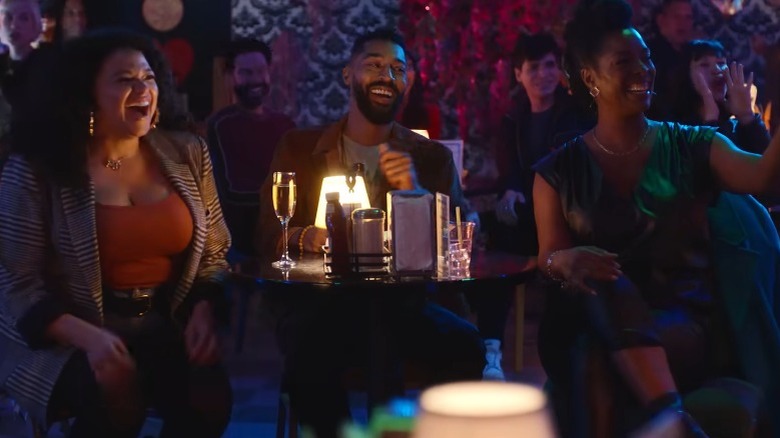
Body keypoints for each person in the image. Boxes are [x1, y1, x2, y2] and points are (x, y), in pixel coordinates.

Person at [534, 0, 780, 436]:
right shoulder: (557, 172)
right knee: (601, 302)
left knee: (597, 352)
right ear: (589, 77)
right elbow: (548, 256)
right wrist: (565, 261)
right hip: (595, 320)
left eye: (645, 57)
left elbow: (764, 178)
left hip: (685, 324)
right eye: (623, 61)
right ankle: (677, 424)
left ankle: (678, 425)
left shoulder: (694, 145)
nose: (643, 69)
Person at [0, 29, 232, 437]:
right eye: (125, 79)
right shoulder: (38, 168)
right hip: (65, 336)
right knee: (112, 399)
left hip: (162, 324)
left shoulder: (187, 152)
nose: (142, 88)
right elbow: (17, 284)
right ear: (87, 94)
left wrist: (203, 310)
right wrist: (91, 339)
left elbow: (215, 252)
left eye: (148, 77)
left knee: (209, 399)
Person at [257, 28, 484, 438]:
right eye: (374, 65)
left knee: (464, 344)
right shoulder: (298, 147)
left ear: (407, 83)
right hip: (320, 307)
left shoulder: (430, 158)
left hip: (403, 306)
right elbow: (268, 231)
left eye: (398, 69)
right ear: (347, 75)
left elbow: (464, 229)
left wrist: (414, 196)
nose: (387, 76)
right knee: (312, 353)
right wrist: (312, 236)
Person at [207, 38, 296, 257]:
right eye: (246, 73)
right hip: (238, 244)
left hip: (284, 235)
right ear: (230, 76)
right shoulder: (219, 124)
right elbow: (226, 195)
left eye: (260, 71)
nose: (256, 80)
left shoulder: (286, 125)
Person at [666, 39, 769, 154]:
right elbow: (704, 167)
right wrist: (710, 122)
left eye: (721, 63)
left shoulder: (737, 123)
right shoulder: (674, 128)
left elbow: (768, 165)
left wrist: (747, 117)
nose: (717, 70)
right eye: (704, 65)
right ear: (686, 74)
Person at [645, 0, 694, 116]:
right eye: (677, 16)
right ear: (661, 20)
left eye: (688, 17)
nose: (683, 22)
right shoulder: (648, 55)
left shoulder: (693, 54)